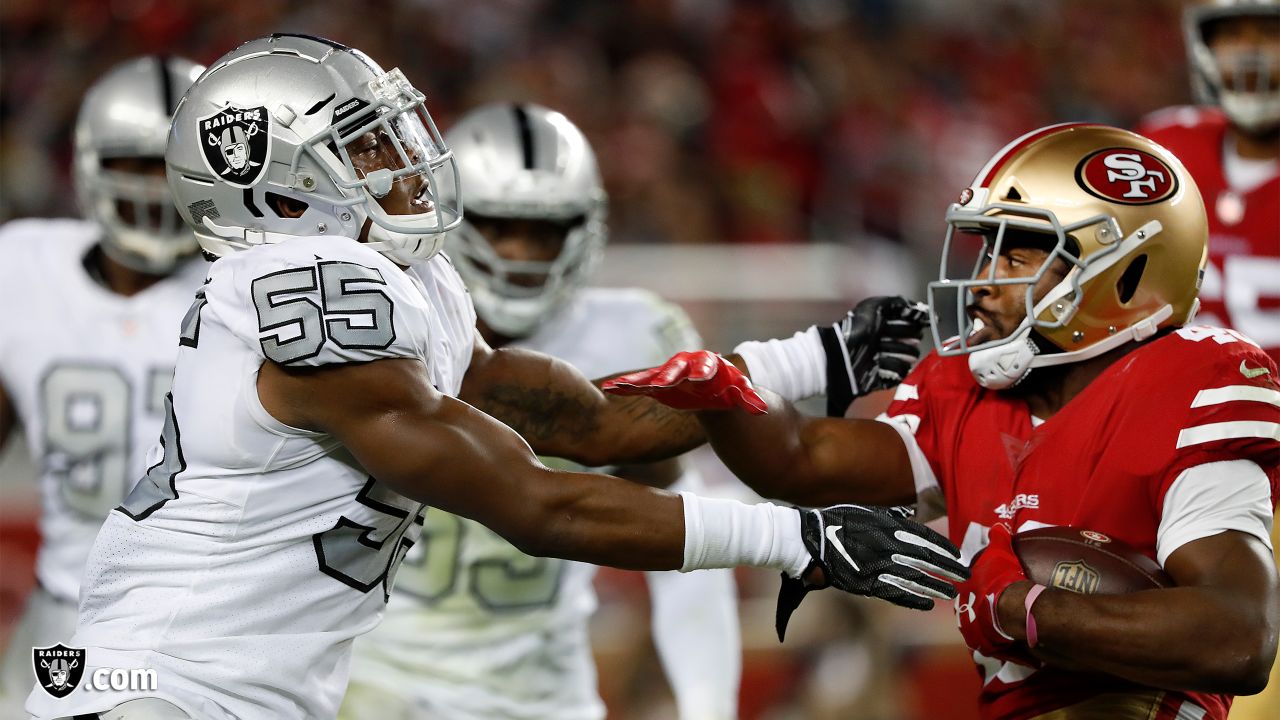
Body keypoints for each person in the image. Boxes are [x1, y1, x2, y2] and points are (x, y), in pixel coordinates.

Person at [24, 34, 967, 720]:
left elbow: (586, 425)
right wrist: (791, 537)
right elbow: (536, 505)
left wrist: (804, 363)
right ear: (277, 192)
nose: (402, 158)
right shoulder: (301, 295)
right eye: (360, 146)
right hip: (162, 686)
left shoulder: (403, 283)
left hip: (243, 691)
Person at [605, 123, 1279, 719]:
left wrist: (1022, 609)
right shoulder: (966, 391)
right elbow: (801, 458)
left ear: (1124, 275)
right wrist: (735, 384)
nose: (984, 281)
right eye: (987, 251)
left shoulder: (1193, 381)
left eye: (1019, 254)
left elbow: (1240, 636)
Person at [340, 103, 742, 720]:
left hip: (541, 697)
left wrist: (708, 707)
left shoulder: (634, 336)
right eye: (499, 225)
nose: (521, 252)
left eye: (545, 230)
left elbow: (685, 545)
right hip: (369, 692)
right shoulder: (373, 324)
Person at [0, 56, 207, 716]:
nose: (154, 188)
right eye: (135, 163)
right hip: (61, 622)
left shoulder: (249, 287)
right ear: (89, 164)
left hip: (203, 633)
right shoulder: (24, 267)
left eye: (174, 167)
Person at [1135, 0, 1279, 362]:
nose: (1250, 53)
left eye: (1270, 33)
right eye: (1232, 35)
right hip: (1174, 403)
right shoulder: (1164, 148)